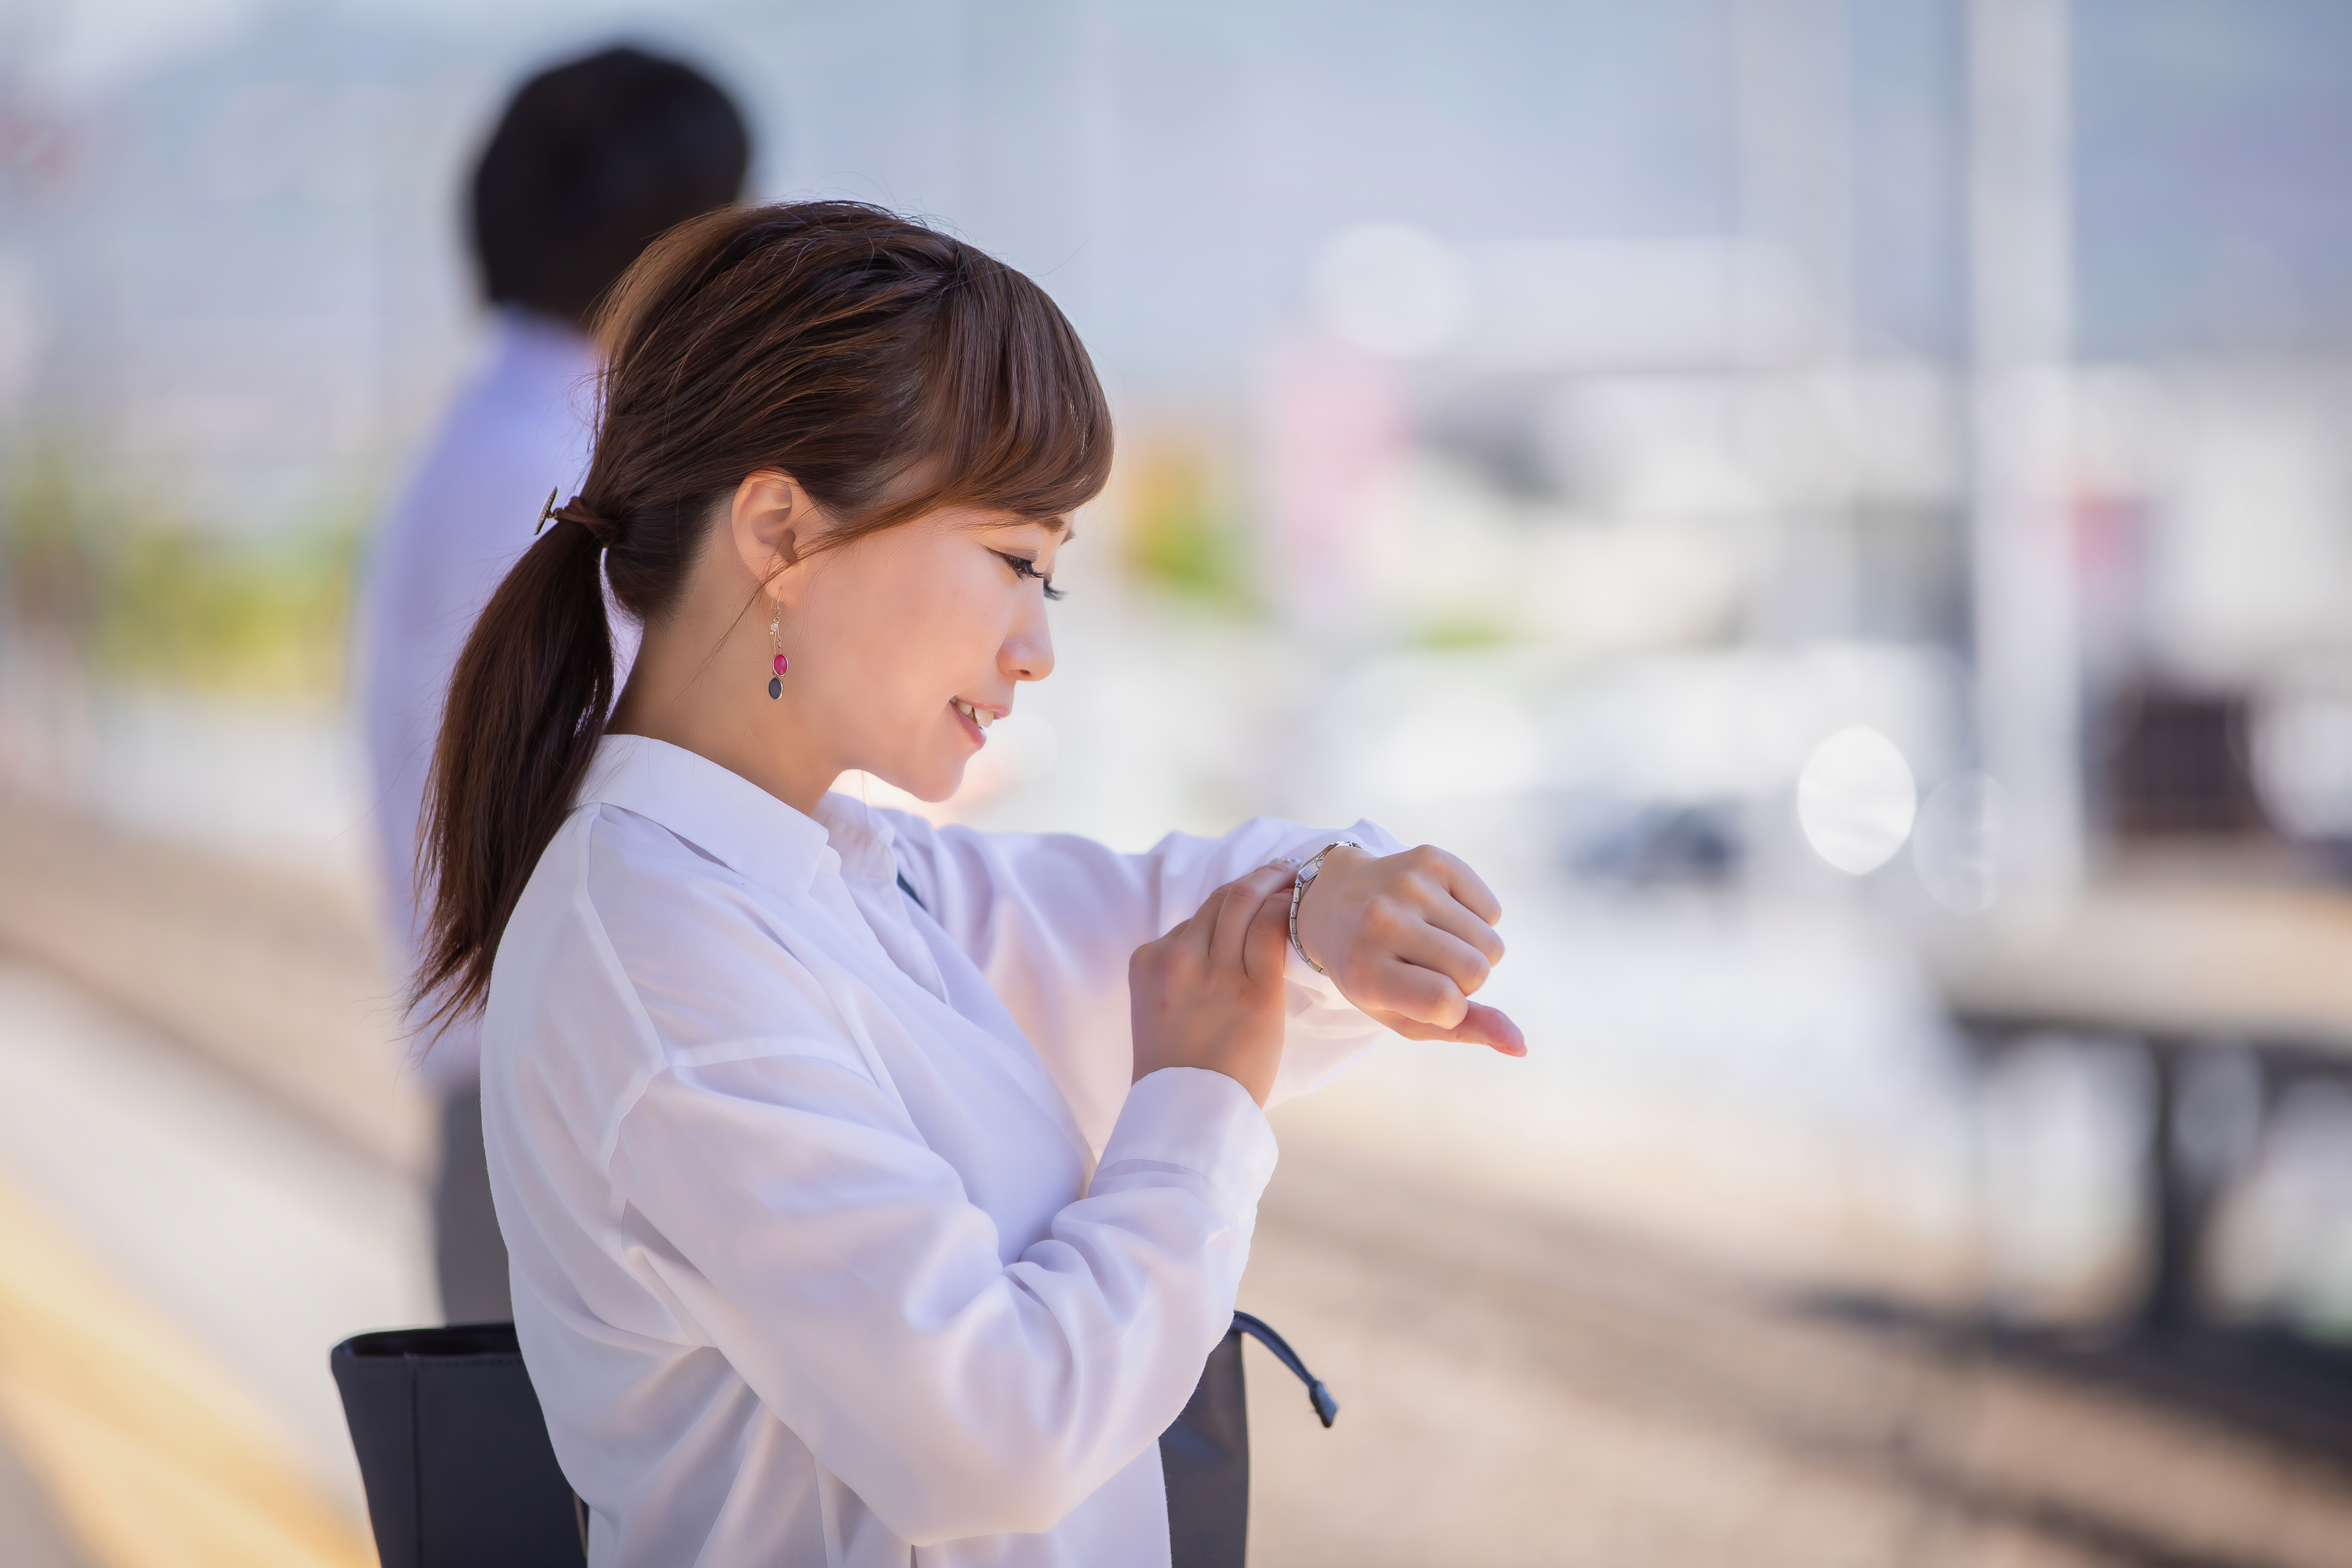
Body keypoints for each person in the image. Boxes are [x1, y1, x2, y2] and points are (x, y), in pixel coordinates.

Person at [414, 201, 1524, 1566]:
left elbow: (1154, 915)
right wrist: (1199, 1107)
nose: (1035, 647)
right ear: (779, 533)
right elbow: (995, 1434)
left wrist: (1329, 902)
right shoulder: (656, 952)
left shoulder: (851, 881)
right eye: (1016, 561)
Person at [357, 46, 750, 1323]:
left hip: (543, 1093)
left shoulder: (505, 435)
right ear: (671, 239)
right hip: (573, 1114)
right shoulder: (552, 464)